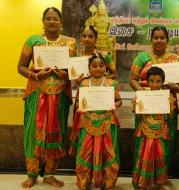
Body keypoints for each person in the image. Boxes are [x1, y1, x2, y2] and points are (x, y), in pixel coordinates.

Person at [16, 7, 75, 188]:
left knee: (58, 133)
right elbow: (21, 67)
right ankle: (32, 174)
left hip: (60, 96)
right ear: (43, 21)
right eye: (48, 18)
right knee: (33, 133)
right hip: (37, 93)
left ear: (61, 22)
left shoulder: (70, 43)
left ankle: (50, 174)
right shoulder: (33, 41)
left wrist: (66, 76)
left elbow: (76, 70)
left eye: (55, 18)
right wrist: (36, 75)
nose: (51, 21)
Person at [129, 26, 179, 168]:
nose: (159, 41)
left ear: (167, 40)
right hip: (146, 107)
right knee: (143, 142)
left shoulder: (175, 59)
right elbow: (132, 80)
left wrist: (177, 89)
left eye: (162, 38)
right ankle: (142, 174)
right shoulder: (142, 58)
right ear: (151, 40)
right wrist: (144, 93)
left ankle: (161, 175)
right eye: (156, 38)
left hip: (167, 108)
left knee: (166, 142)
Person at [69, 52, 122, 190]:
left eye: (101, 65)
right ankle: (84, 182)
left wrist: (116, 105)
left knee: (108, 152)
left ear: (105, 67)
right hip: (87, 123)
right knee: (85, 152)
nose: (98, 68)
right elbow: (79, 103)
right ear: (89, 68)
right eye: (94, 66)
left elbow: (119, 100)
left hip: (107, 123)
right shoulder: (84, 84)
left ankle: (107, 183)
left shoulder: (111, 83)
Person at [131, 67, 176, 189]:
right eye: (151, 81)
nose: (155, 84)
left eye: (158, 81)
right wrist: (135, 105)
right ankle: (143, 181)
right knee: (144, 155)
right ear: (147, 81)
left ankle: (157, 181)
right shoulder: (142, 95)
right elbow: (138, 115)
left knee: (160, 156)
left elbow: (170, 118)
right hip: (145, 130)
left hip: (161, 130)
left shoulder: (167, 97)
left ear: (162, 82)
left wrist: (171, 108)